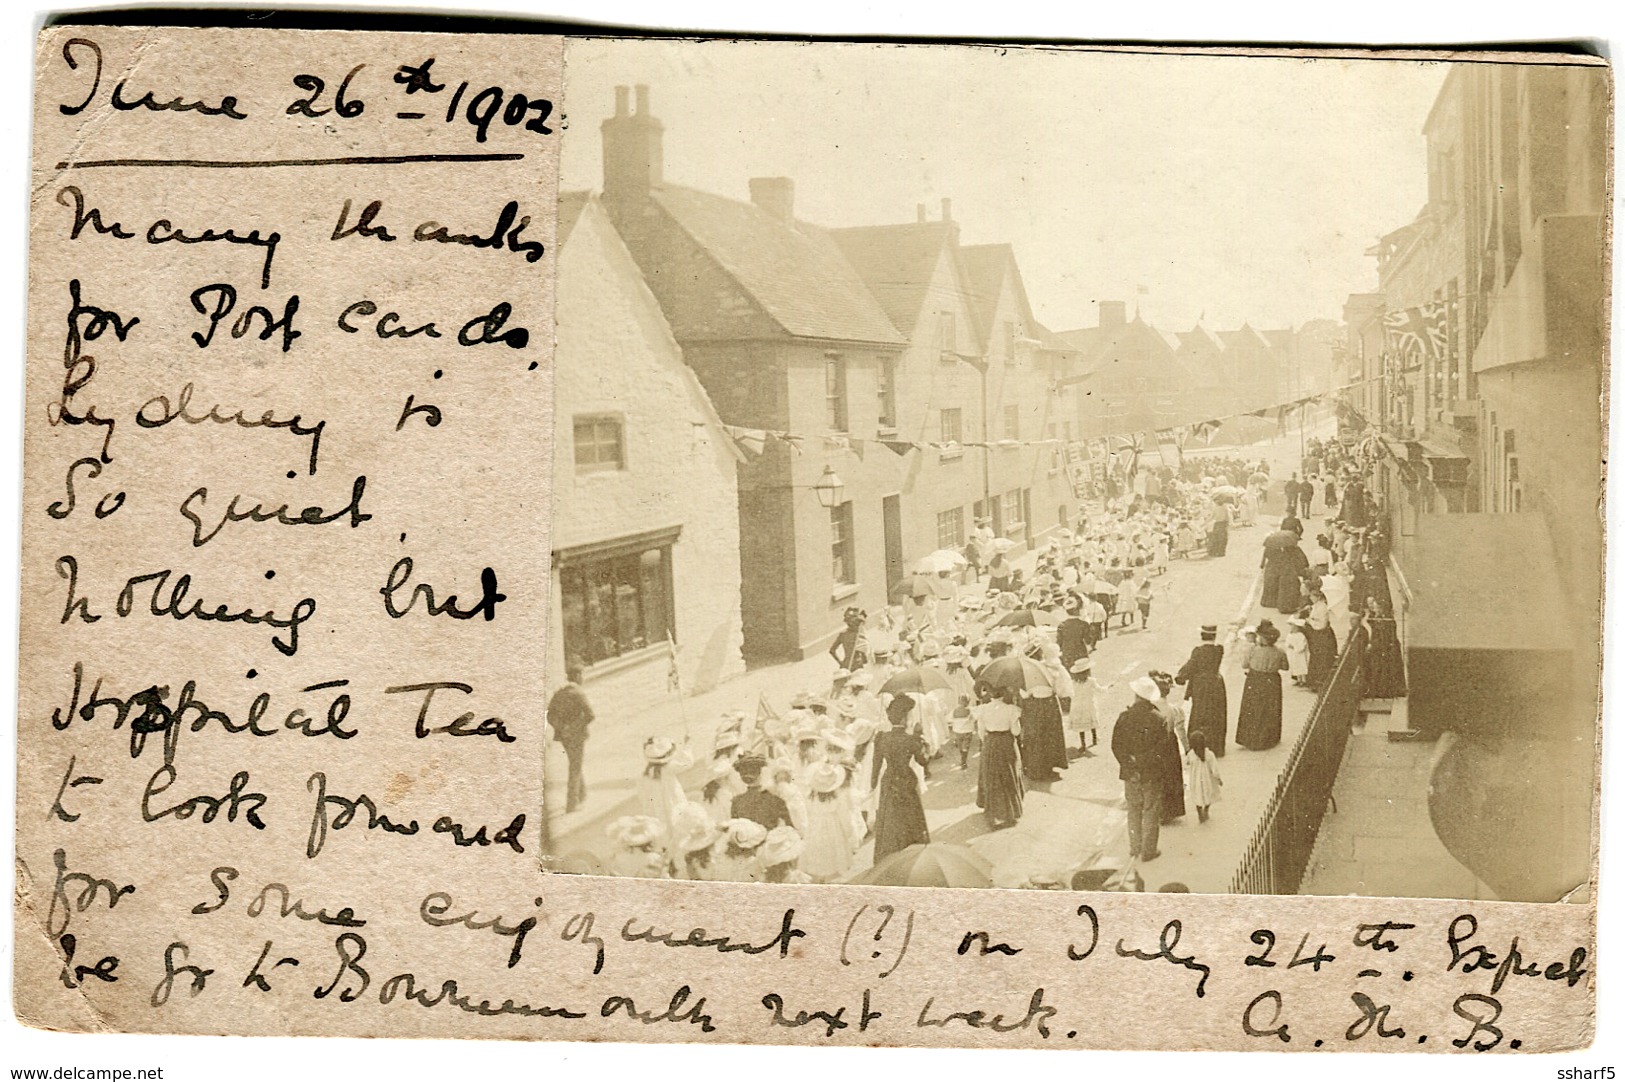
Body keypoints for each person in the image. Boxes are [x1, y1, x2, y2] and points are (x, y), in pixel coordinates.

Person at [1112, 676, 1171, 863]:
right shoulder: (1159, 718)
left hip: (1130, 772)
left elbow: (1116, 745)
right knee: (1151, 810)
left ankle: (1134, 848)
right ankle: (1148, 850)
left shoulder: (1124, 717)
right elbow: (1163, 749)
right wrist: (1144, 761)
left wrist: (1129, 763)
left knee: (1133, 810)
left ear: (1136, 695)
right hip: (1151, 772)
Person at [870, 694, 931, 860]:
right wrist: (925, 744)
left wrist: (873, 783)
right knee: (910, 814)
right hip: (906, 778)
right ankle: (912, 850)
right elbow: (923, 761)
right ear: (904, 718)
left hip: (889, 779)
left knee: (891, 816)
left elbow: (875, 765)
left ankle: (891, 852)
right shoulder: (911, 739)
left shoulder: (882, 738)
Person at [973, 685, 1024, 829]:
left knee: (991, 776)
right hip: (1006, 742)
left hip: (990, 743)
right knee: (1008, 774)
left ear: (989, 694)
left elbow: (981, 733)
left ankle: (993, 810)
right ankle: (1010, 811)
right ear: (1003, 694)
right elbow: (1015, 731)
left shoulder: (982, 709)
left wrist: (989, 741)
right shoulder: (1011, 709)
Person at [1235, 620, 1290, 751]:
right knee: (1270, 710)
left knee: (1253, 708)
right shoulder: (1280, 652)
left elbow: (1244, 665)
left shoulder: (1253, 650)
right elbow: (1285, 667)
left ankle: (1250, 738)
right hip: (1272, 681)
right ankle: (1268, 739)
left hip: (1255, 679)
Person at [1174, 624, 1228, 757]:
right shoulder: (1219, 649)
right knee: (1216, 713)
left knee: (1200, 713)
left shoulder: (1198, 651)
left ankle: (1200, 744)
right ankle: (1216, 745)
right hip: (1216, 683)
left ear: (1202, 635)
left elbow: (1191, 665)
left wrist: (1180, 677)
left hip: (1202, 685)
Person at [547, 667, 593, 812]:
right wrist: (572, 728)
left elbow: (550, 716)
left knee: (574, 762)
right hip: (577, 736)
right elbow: (590, 715)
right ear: (578, 676)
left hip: (564, 737)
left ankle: (582, 794)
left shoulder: (558, 694)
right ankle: (571, 803)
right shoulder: (578, 693)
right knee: (575, 766)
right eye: (581, 675)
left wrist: (562, 728)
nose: (582, 678)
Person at [730, 754, 792, 831]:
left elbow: (734, 830)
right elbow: (791, 829)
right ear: (761, 773)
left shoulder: (736, 802)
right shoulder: (776, 801)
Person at [1361, 599, 1409, 699]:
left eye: (1376, 607)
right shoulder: (1375, 619)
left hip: (1387, 649)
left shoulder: (1387, 620)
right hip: (1379, 648)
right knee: (1378, 669)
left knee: (1386, 669)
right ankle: (1379, 691)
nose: (1374, 609)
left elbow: (1386, 636)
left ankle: (1387, 692)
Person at [1067, 658, 1111, 757]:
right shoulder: (1091, 681)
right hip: (1089, 705)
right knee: (1091, 721)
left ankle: (1083, 744)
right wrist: (1107, 687)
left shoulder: (1073, 682)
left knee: (1081, 726)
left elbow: (1070, 693)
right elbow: (1100, 689)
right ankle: (1094, 738)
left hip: (1077, 706)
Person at [1304, 589, 1339, 692]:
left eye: (1312, 596)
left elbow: (1321, 625)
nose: (1310, 598)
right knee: (1316, 657)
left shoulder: (1322, 608)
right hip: (1317, 635)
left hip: (1321, 636)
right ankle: (1314, 682)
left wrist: (1310, 621)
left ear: (1318, 597)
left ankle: (1319, 683)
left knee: (1320, 659)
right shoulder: (1317, 606)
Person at [1184, 730, 1223, 823]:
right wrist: (1218, 778)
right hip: (1207, 780)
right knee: (1208, 795)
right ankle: (1206, 810)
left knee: (1197, 796)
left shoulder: (1191, 754)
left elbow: (1186, 764)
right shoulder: (1209, 754)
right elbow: (1214, 769)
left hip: (1195, 780)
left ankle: (1199, 812)